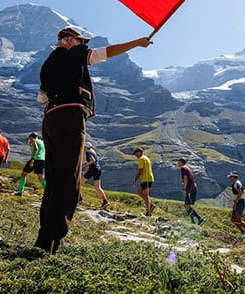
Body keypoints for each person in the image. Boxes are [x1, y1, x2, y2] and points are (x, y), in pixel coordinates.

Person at [35, 27, 151, 254]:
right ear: (69, 41)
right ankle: (52, 242)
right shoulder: (73, 53)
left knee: (55, 178)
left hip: (50, 119)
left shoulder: (48, 62)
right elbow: (105, 53)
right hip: (70, 117)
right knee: (69, 179)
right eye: (81, 41)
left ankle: (44, 238)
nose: (84, 45)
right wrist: (137, 42)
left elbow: (42, 97)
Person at [16, 133, 47, 197]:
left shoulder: (33, 140)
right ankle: (47, 193)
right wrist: (30, 145)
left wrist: (32, 159)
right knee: (41, 177)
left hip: (35, 159)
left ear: (31, 137)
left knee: (23, 174)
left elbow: (36, 149)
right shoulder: (42, 142)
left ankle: (20, 191)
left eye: (30, 138)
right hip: (42, 160)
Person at [81, 141, 108, 209]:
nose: (83, 148)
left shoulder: (87, 152)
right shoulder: (93, 151)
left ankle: (79, 199)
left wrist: (84, 165)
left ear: (86, 147)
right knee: (97, 187)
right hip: (98, 169)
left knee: (79, 183)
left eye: (84, 147)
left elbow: (92, 160)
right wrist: (85, 172)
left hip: (92, 169)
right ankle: (105, 201)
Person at [130, 147, 156, 216]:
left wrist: (135, 180)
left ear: (139, 152)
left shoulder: (141, 159)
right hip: (148, 178)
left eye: (136, 153)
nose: (135, 156)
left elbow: (140, 170)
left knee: (145, 195)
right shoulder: (146, 158)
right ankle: (150, 206)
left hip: (146, 179)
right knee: (139, 193)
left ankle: (148, 212)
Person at [177, 158, 203, 225]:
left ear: (181, 163)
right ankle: (193, 220)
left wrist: (184, 189)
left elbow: (185, 178)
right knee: (187, 205)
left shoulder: (183, 168)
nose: (177, 164)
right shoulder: (188, 168)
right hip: (193, 188)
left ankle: (199, 219)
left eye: (178, 162)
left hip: (189, 189)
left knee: (187, 205)